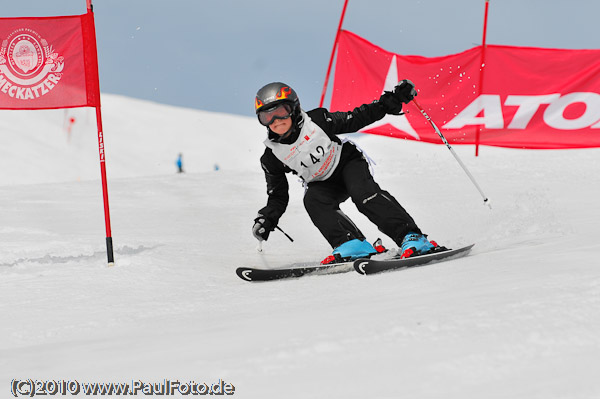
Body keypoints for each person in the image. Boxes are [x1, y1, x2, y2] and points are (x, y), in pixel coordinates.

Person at [251, 81, 439, 264]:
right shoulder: (272, 157)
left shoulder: (317, 121)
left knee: (364, 195)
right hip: (323, 183)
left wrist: (388, 102)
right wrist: (267, 219)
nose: (275, 121)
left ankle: (411, 235)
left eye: (280, 112)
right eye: (266, 117)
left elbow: (355, 118)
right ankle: (351, 243)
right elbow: (278, 196)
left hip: (347, 163)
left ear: (294, 108)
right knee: (313, 201)